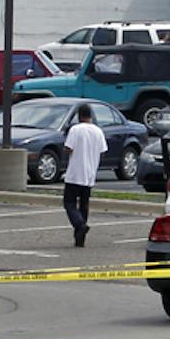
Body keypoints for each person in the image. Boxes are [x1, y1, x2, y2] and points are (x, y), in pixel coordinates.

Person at [61, 104, 107, 249]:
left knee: (69, 203)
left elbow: (68, 148)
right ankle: (80, 239)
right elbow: (102, 151)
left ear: (79, 116)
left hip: (75, 173)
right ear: (91, 116)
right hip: (89, 174)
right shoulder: (98, 131)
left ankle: (80, 225)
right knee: (84, 205)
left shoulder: (75, 129)